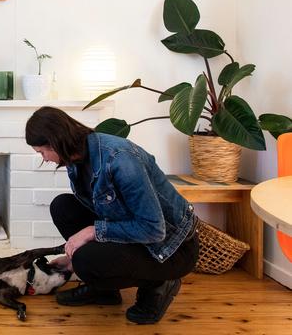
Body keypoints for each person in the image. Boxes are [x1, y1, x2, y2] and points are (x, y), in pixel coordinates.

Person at [25, 106, 199, 325]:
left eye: (42, 152)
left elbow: (153, 229)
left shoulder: (120, 160)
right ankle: (105, 289)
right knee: (62, 207)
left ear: (56, 142)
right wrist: (71, 260)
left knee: (86, 260)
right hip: (139, 237)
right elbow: (109, 212)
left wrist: (92, 232)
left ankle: (159, 283)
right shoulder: (76, 158)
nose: (45, 159)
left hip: (171, 249)